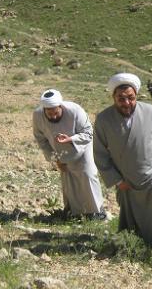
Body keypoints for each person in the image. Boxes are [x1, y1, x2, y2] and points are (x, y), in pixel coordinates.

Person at [93, 73, 152, 253]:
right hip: (129, 182)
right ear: (113, 98)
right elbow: (100, 155)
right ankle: (145, 245)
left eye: (131, 98)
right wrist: (118, 181)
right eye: (121, 98)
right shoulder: (103, 119)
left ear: (136, 96)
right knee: (137, 219)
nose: (126, 103)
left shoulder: (149, 111)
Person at [32, 89, 105, 219]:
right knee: (69, 180)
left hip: (82, 147)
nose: (53, 116)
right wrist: (55, 159)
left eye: (56, 112)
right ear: (44, 110)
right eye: (50, 114)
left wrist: (70, 139)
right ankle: (74, 212)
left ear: (61, 106)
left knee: (88, 174)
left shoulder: (75, 110)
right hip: (60, 152)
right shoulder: (38, 116)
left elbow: (88, 133)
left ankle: (96, 212)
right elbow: (41, 140)